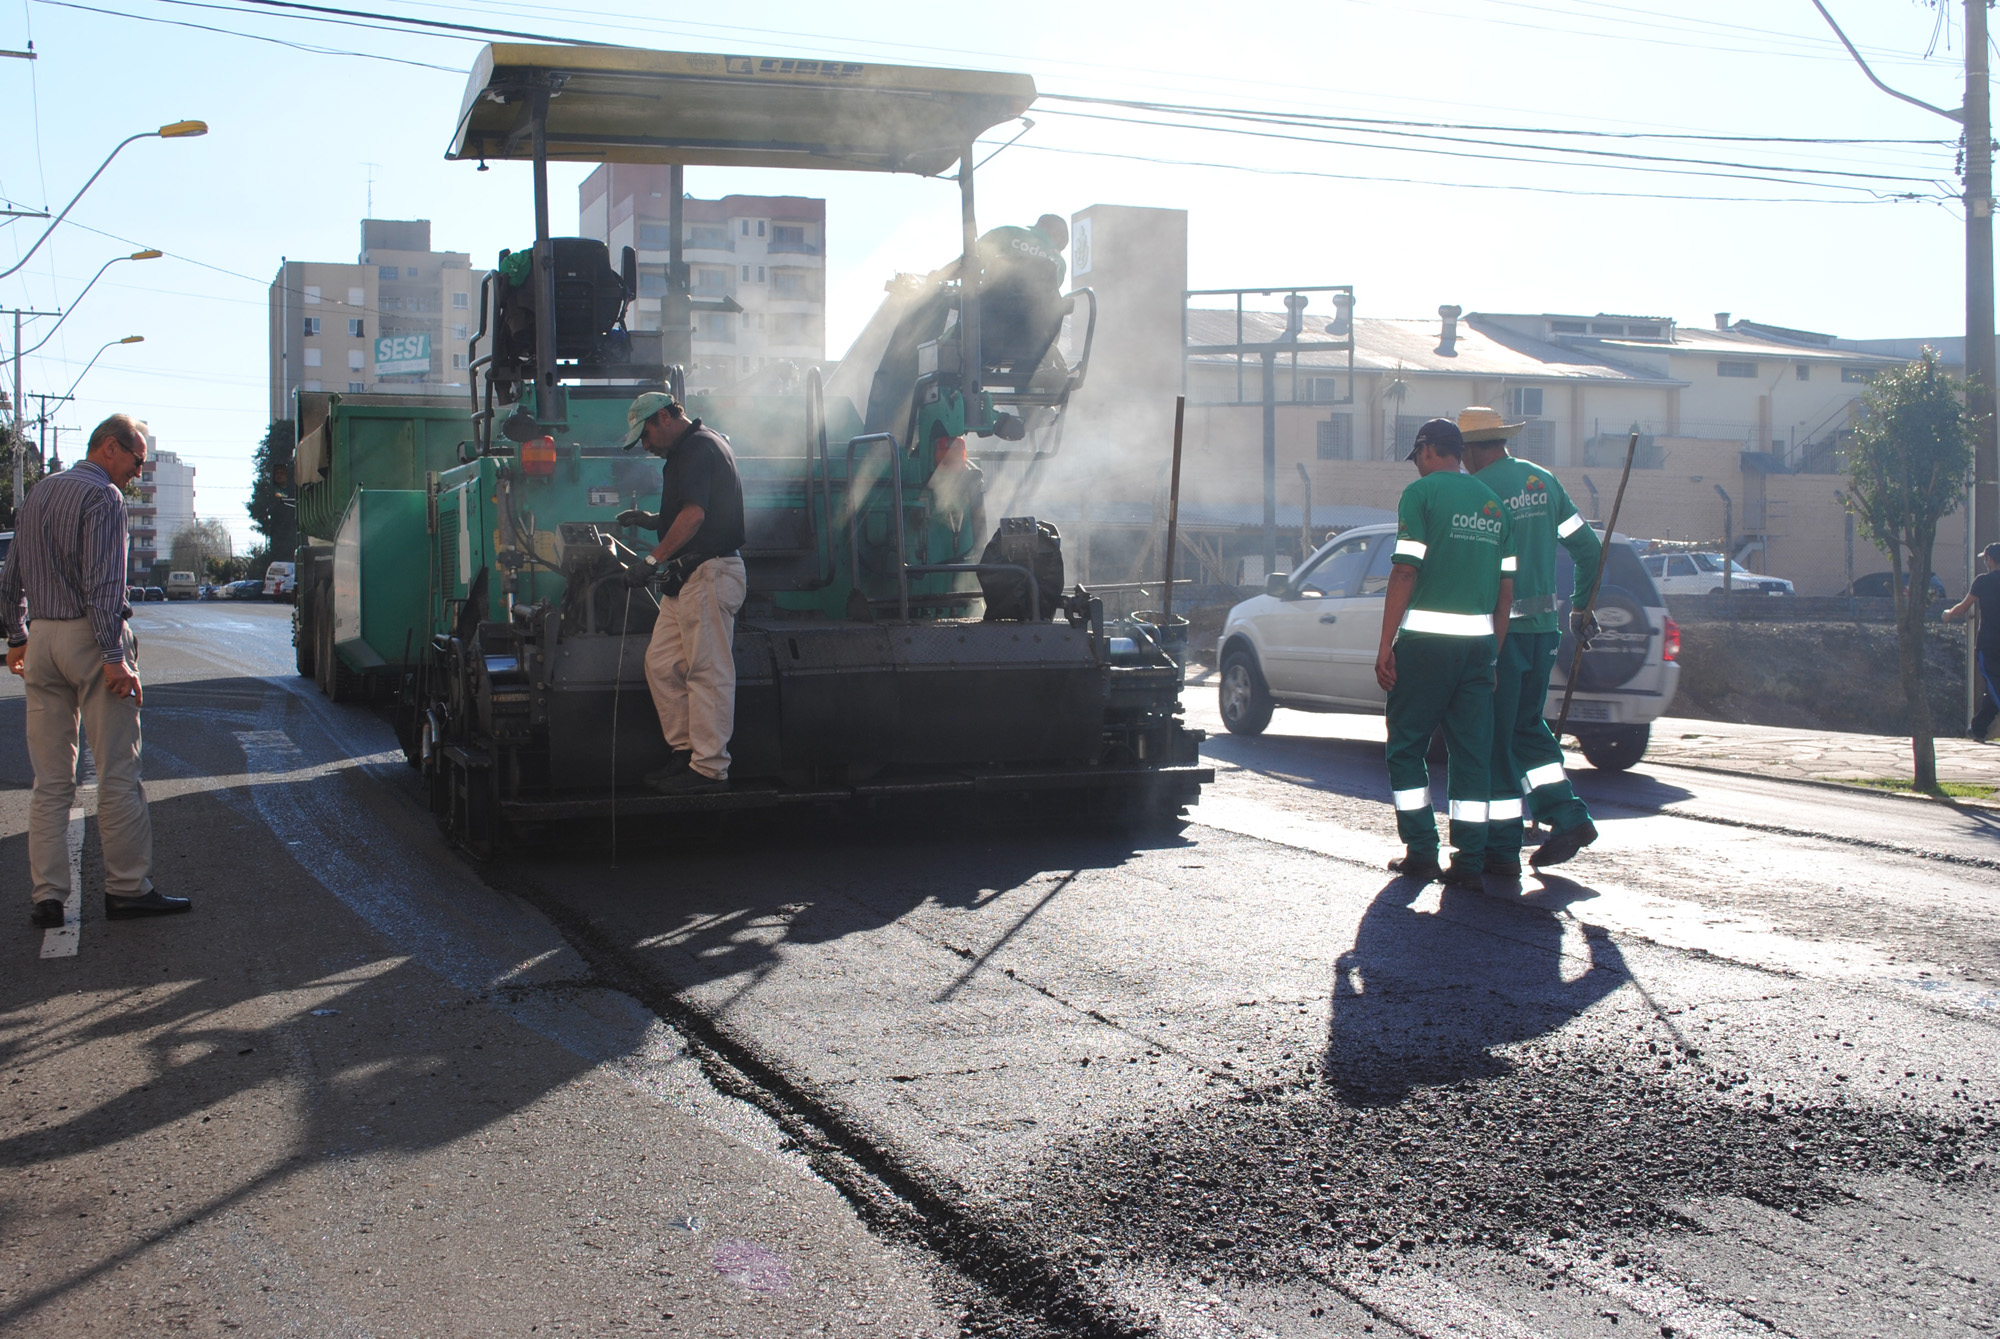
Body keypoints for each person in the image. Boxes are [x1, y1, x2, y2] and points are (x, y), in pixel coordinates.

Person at [3, 414, 188, 927]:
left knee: (50, 780)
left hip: (42, 639)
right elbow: (105, 584)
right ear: (110, 447)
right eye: (137, 459)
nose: (138, 471)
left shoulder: (38, 493)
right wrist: (114, 655)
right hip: (90, 638)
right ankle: (127, 888)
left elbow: (10, 576)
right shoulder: (103, 497)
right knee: (117, 771)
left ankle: (48, 897)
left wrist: (17, 636)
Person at [1460, 406, 1603, 874]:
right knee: (1525, 728)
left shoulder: (1479, 491)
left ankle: (1501, 850)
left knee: (1497, 739)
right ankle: (1567, 815)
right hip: (1543, 633)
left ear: (1471, 450)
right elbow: (1589, 549)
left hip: (1501, 635)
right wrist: (1580, 607)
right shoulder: (1542, 481)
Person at [1374, 417, 1515, 888]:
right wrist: (1493, 656)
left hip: (1426, 648)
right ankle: (1470, 862)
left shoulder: (1422, 494)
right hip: (1478, 650)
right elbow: (1505, 594)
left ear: (1429, 449)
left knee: (1406, 748)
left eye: (1417, 456)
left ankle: (1421, 851)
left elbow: (1405, 571)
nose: (1417, 465)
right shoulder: (1494, 505)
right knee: (1471, 755)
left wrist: (1385, 644)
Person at [615, 391, 747, 795]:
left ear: (664, 417)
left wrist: (651, 560)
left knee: (707, 672)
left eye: (646, 435)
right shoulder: (699, 445)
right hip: (690, 576)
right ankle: (687, 752)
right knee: (661, 664)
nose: (646, 445)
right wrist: (653, 520)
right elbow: (697, 508)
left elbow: (695, 515)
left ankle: (709, 769)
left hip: (709, 572)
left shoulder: (696, 449)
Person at [1943, 541, 2000, 741]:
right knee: (1994, 688)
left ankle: (1977, 728)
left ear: (1990, 560)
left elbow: (1963, 607)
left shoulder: (1982, 581)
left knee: (1995, 688)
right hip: (1991, 646)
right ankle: (1978, 728)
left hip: (1988, 645)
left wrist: (1949, 613)